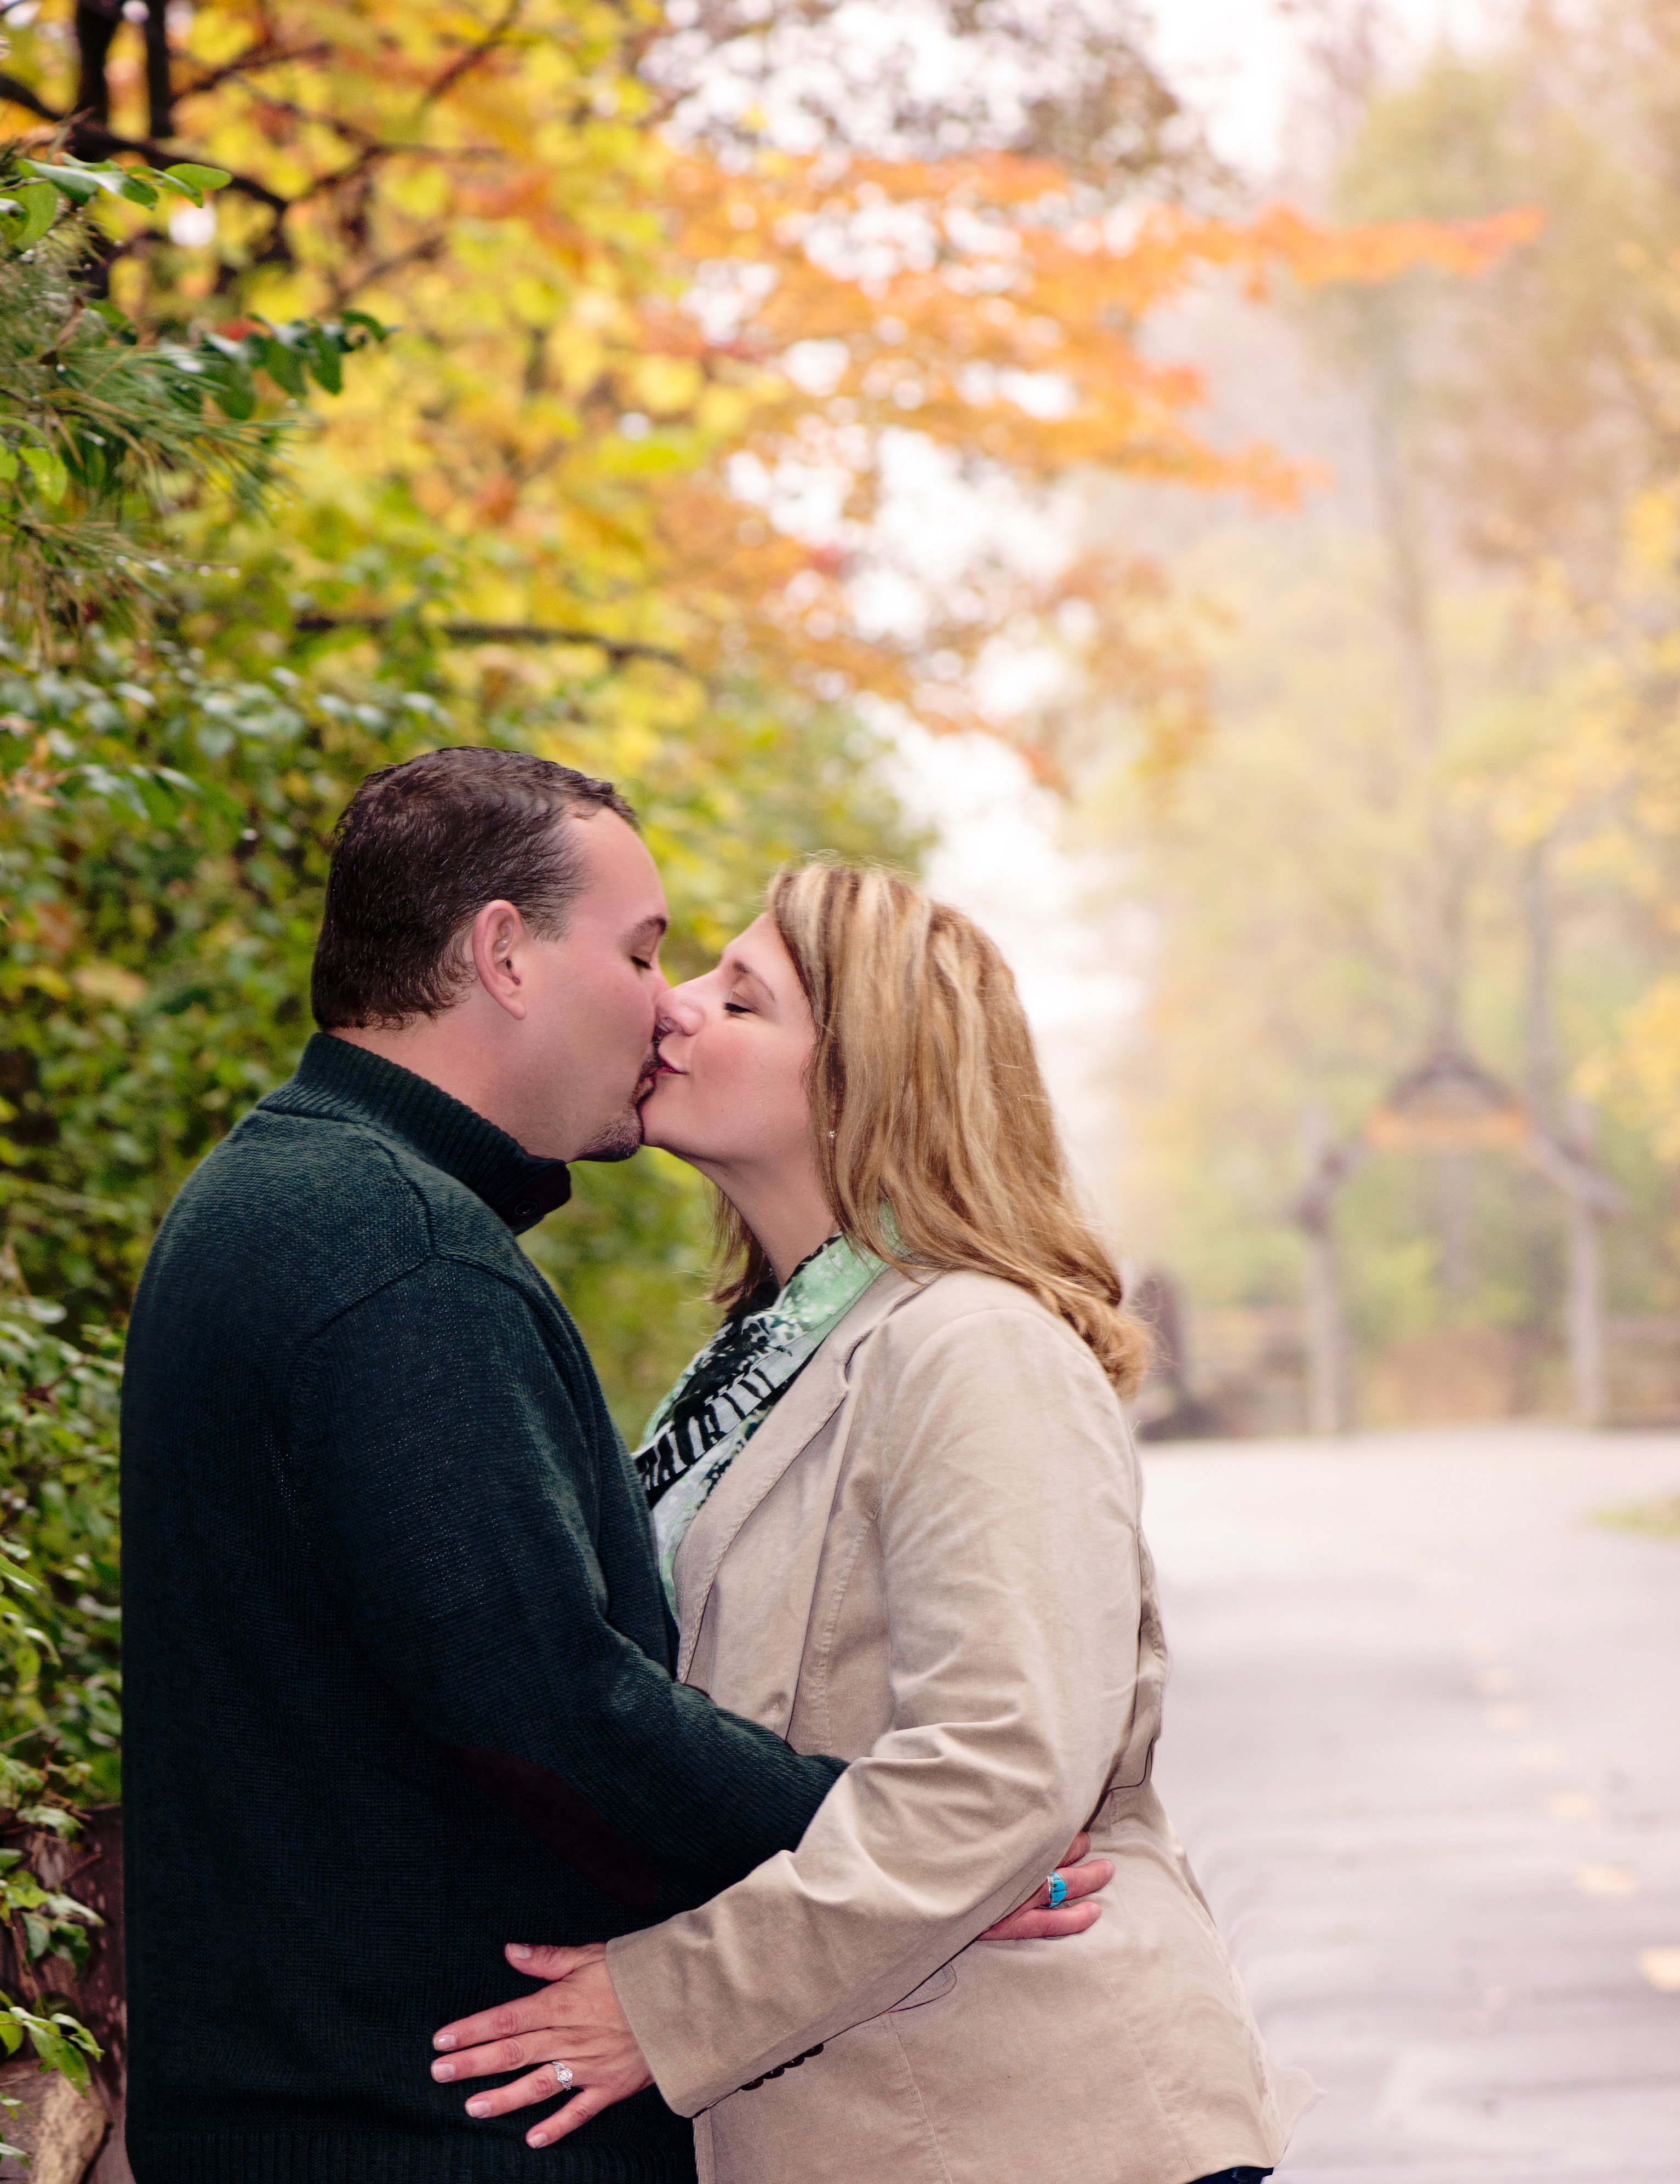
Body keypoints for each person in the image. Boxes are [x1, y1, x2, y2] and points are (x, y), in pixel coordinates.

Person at [119, 751, 1098, 2184]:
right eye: (644, 952)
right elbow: (543, 1703)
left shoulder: (297, 1201)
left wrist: (934, 1844)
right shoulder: (398, 1255)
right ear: (504, 952)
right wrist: (882, 1838)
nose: (664, 1003)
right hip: (420, 2118)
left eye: (713, 980)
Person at [427, 865, 1315, 2184]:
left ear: (862, 1082)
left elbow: (994, 1780)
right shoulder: (760, 1365)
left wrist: (664, 2004)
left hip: (1027, 2126)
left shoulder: (974, 1348)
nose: (670, 1009)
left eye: (742, 999)